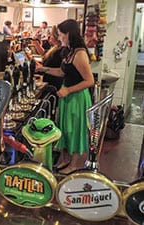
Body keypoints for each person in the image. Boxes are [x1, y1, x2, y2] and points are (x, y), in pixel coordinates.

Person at [36, 19, 94, 174]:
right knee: (66, 129)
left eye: (61, 34)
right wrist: (44, 69)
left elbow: (89, 81)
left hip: (76, 97)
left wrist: (68, 90)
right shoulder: (69, 51)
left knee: (74, 130)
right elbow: (62, 72)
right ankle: (66, 159)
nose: (59, 37)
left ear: (69, 34)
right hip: (67, 95)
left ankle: (75, 165)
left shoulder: (80, 53)